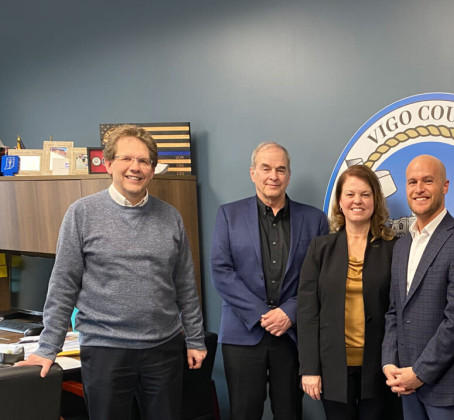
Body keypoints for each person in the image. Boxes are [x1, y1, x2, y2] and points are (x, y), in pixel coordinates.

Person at [16, 124, 207, 420]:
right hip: (106, 349)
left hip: (163, 348)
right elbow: (63, 284)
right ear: (108, 164)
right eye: (126, 159)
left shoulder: (170, 217)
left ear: (153, 169)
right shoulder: (82, 214)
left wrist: (195, 338)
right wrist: (47, 348)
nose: (136, 167)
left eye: (144, 161)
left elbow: (185, 283)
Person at [211, 142, 328, 420]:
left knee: (289, 413)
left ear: (288, 175)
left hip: (292, 336)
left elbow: (322, 279)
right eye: (266, 168)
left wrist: (289, 312)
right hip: (242, 335)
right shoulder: (229, 215)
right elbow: (221, 271)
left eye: (280, 169)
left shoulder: (314, 219)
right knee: (243, 413)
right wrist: (262, 315)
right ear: (253, 173)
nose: (273, 176)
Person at [382, 155, 454, 420]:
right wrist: (389, 362)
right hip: (405, 384)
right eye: (412, 182)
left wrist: (419, 374)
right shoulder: (402, 245)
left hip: (445, 390)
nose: (419, 189)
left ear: (445, 186)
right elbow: (395, 311)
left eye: (428, 180)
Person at [298, 165, 402, 420]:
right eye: (350, 194)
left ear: (375, 201)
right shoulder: (320, 248)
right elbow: (308, 313)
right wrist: (310, 369)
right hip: (333, 368)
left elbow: (400, 310)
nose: (358, 201)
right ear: (340, 202)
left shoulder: (394, 248)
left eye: (365, 194)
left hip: (380, 368)